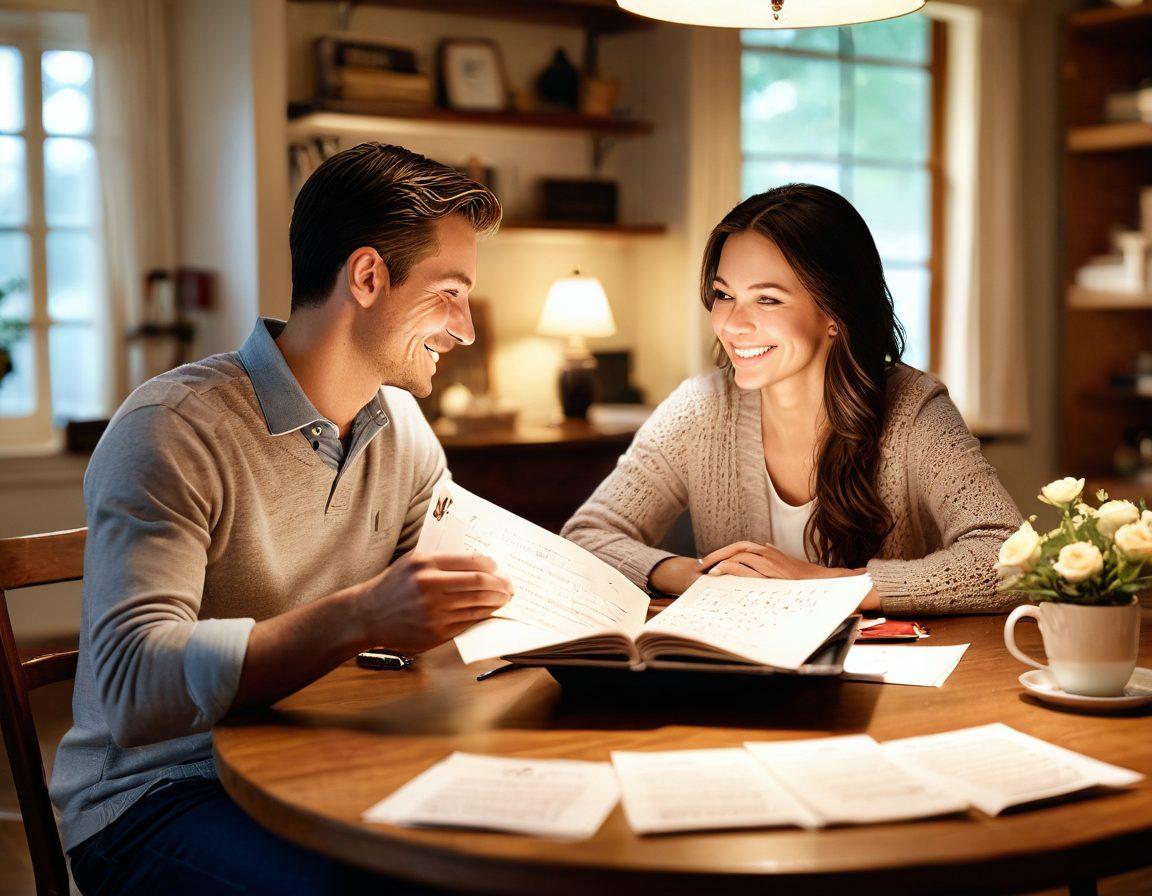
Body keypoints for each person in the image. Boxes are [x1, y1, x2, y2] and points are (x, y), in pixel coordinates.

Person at [51, 143, 513, 894]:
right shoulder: (174, 428)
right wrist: (359, 617)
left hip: (315, 755)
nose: (465, 328)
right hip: (161, 794)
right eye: (450, 292)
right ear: (367, 277)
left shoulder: (404, 428)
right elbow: (134, 683)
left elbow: (438, 619)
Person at [562, 183, 1022, 616]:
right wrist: (692, 575)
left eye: (767, 300)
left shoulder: (913, 409)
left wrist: (830, 584)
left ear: (835, 314)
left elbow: (1009, 560)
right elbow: (586, 536)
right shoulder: (700, 408)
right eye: (724, 294)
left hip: (891, 686)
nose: (734, 324)